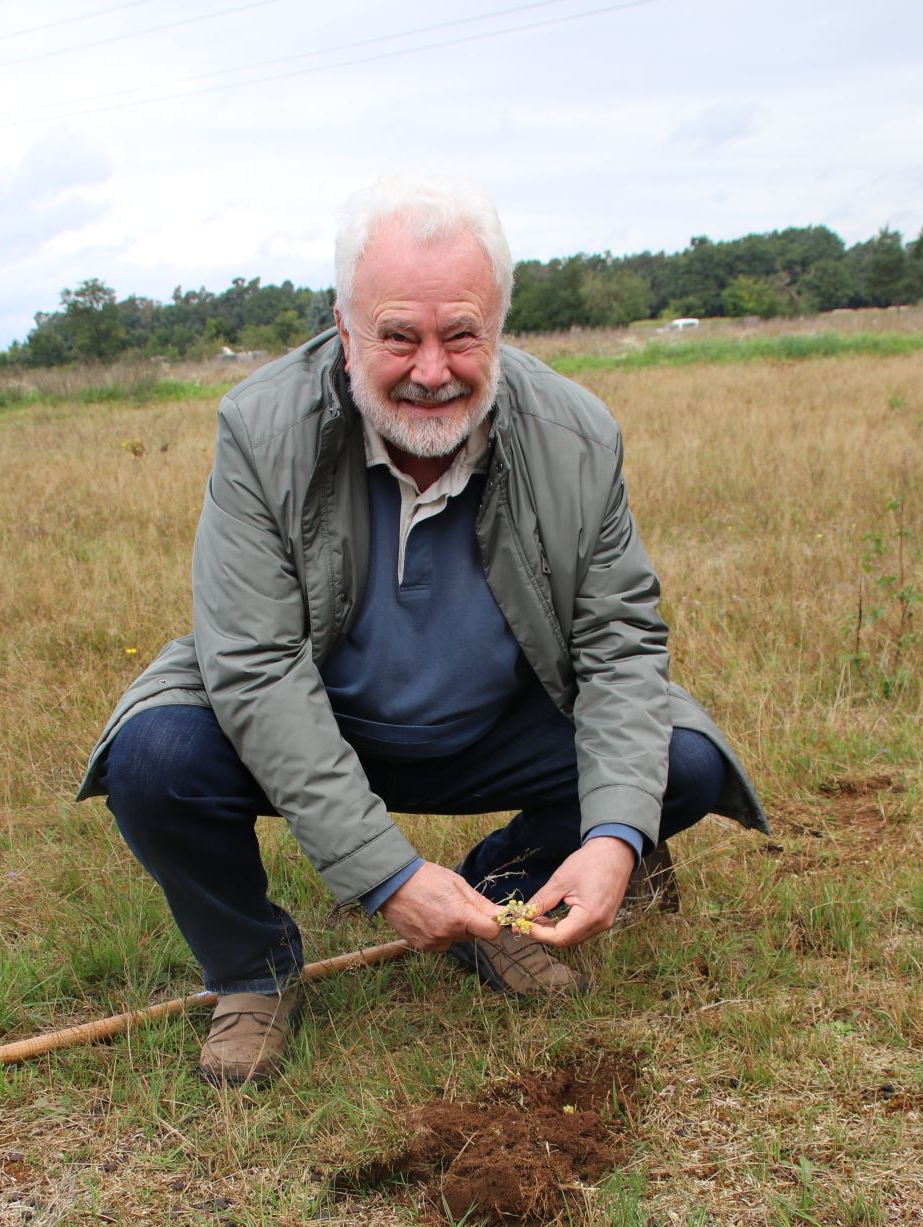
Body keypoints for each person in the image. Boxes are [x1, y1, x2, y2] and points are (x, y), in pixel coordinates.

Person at [77, 174, 768, 1085]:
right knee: (154, 756)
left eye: (461, 335)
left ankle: (502, 902)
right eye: (398, 335)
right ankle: (253, 970)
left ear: (500, 326)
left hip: (497, 730)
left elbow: (619, 645)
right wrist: (386, 876)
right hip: (321, 722)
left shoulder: (580, 435)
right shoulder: (259, 428)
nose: (432, 370)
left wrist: (612, 837)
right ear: (343, 326)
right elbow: (253, 668)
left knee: (680, 761)